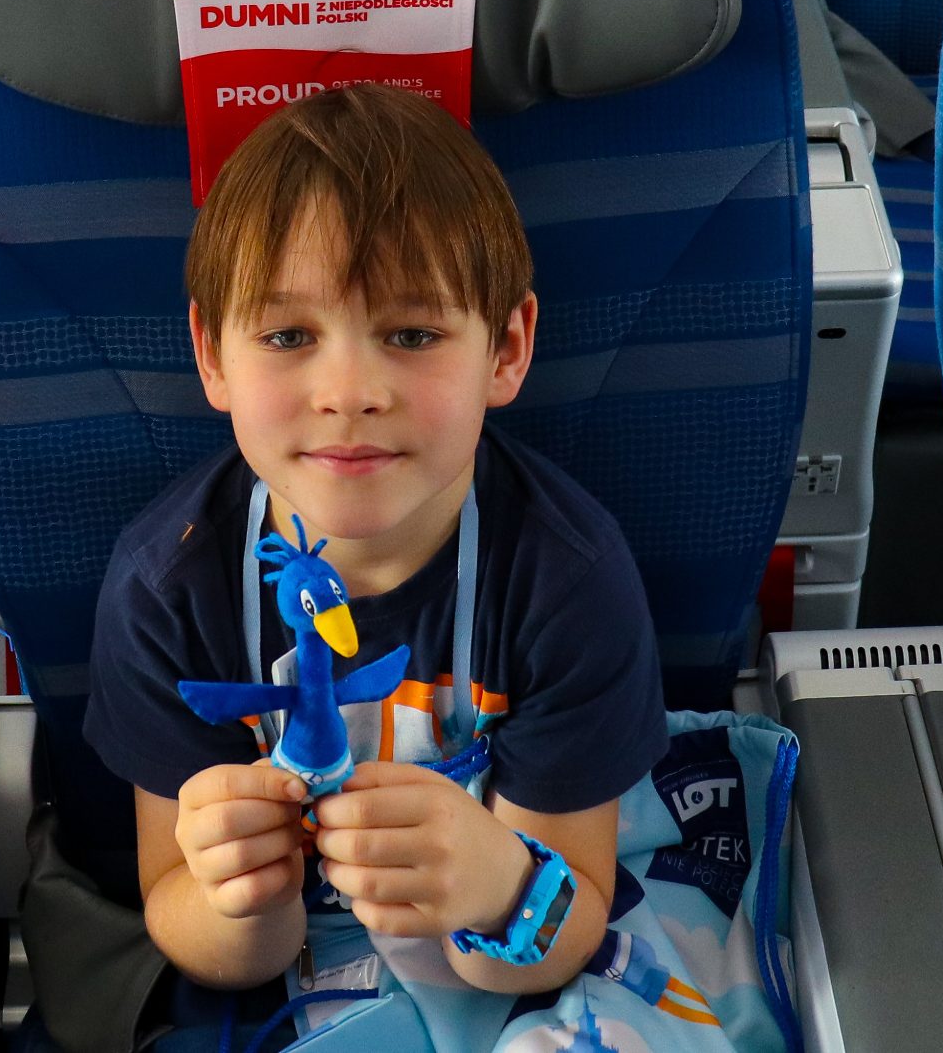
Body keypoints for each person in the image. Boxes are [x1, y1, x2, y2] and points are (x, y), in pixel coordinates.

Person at [85, 83, 668, 1018]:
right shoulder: (166, 588)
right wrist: (241, 900)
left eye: (412, 333)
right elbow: (192, 926)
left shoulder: (568, 581)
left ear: (506, 349)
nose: (349, 390)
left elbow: (564, 930)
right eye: (287, 335)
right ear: (212, 356)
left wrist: (501, 889)